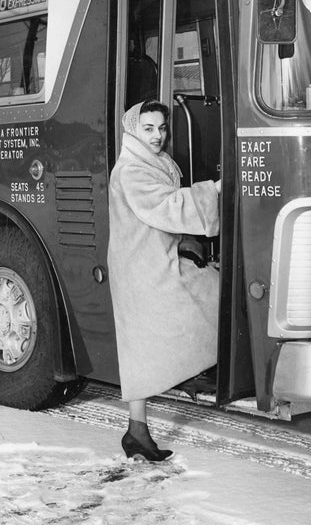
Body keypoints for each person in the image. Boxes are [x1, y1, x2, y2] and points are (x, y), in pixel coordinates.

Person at [107, 99, 220, 462]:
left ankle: (136, 432)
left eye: (162, 128)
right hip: (144, 267)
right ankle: (192, 372)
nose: (157, 136)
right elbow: (168, 206)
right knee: (214, 295)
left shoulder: (149, 161)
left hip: (148, 261)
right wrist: (214, 190)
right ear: (133, 130)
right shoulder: (132, 170)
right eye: (149, 128)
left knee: (141, 350)